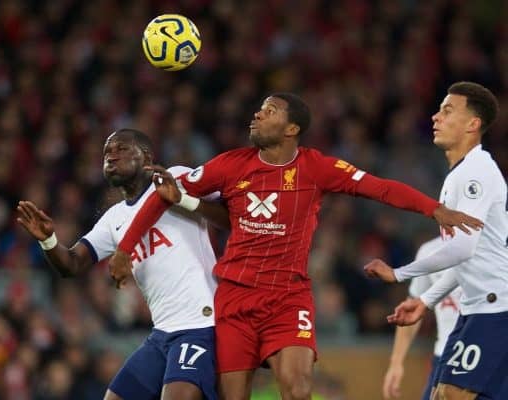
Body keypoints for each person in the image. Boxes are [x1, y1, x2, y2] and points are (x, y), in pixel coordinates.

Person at [109, 92, 483, 400]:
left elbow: (379, 187)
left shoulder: (315, 168)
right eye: (258, 109)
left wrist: (434, 209)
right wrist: (125, 249)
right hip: (236, 300)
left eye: (269, 111)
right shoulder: (230, 165)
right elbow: (163, 196)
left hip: (288, 299)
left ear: (291, 128)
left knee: (298, 389)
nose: (256, 114)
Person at [16, 128, 229, 400]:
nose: (111, 156)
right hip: (162, 333)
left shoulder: (173, 178)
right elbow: (71, 264)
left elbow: (230, 217)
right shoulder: (113, 218)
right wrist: (48, 240)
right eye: (106, 152)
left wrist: (185, 200)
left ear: (147, 157)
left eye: (121, 149)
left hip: (200, 324)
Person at [365, 82, 508, 399]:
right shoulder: (460, 174)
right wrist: (427, 301)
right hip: (479, 309)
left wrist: (399, 273)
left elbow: (462, 248)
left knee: (449, 394)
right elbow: (468, 258)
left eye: (447, 111)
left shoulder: (475, 173)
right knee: (444, 394)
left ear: (473, 124)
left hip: (496, 309)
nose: (435, 117)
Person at [382, 237, 461, 400]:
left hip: (492, 355)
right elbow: (412, 308)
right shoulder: (429, 251)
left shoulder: (497, 245)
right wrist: (396, 363)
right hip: (445, 358)